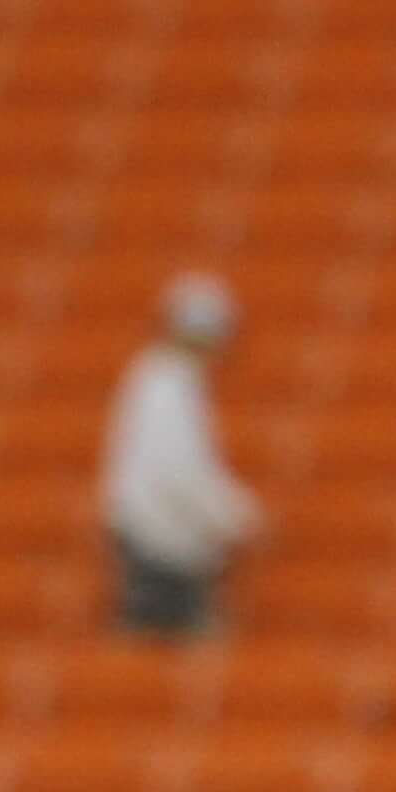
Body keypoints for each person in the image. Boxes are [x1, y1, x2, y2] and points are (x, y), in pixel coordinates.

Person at [100, 274, 264, 639]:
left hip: (160, 542)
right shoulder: (166, 387)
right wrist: (236, 518)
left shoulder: (162, 382)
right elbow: (180, 474)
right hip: (160, 548)